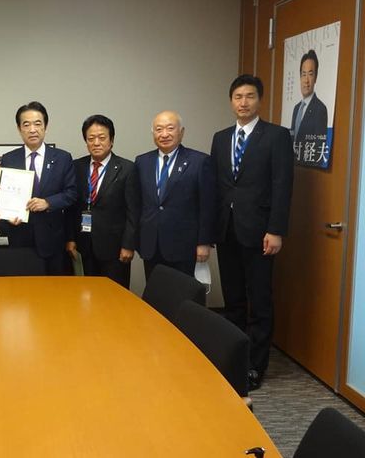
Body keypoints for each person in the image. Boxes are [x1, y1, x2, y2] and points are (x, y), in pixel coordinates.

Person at [210, 74, 294, 390]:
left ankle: (255, 367)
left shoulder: (276, 136)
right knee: (232, 300)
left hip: (260, 232)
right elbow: (218, 186)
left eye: (249, 96)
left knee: (259, 300)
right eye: (237, 97)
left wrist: (276, 229)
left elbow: (282, 186)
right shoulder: (220, 138)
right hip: (227, 231)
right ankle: (233, 359)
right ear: (231, 101)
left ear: (259, 100)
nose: (243, 102)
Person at [135, 110, 216, 279]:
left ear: (182, 132)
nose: (164, 134)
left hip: (184, 245)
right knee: (155, 297)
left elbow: (207, 206)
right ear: (153, 134)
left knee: (183, 298)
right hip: (151, 244)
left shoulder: (199, 162)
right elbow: (138, 203)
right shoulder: (142, 162)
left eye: (170, 128)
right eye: (158, 129)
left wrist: (204, 242)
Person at [0, 101, 77, 274]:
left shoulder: (62, 158)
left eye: (37, 124)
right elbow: (5, 196)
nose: (32, 129)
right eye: (26, 124)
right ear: (19, 129)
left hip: (52, 239)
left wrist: (48, 203)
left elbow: (71, 193)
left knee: (53, 292)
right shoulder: (9, 159)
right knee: (22, 292)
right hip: (19, 236)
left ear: (45, 127)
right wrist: (7, 214)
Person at [65, 115, 140, 288]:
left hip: (114, 249)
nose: (96, 143)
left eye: (102, 137)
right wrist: (70, 238)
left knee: (114, 298)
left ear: (111, 140)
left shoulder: (127, 169)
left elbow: (133, 211)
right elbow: (70, 207)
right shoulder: (76, 166)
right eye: (91, 138)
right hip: (83, 246)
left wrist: (128, 245)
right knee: (85, 295)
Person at [290, 49, 329, 166]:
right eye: (303, 74)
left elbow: (317, 149)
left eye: (310, 74)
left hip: (309, 172)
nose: (306, 80)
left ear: (316, 78)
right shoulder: (296, 108)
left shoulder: (320, 109)